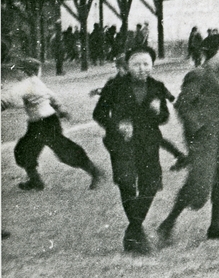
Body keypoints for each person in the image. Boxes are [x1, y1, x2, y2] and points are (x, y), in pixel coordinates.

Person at [156, 33, 219, 246]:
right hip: (203, 138)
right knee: (199, 184)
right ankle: (167, 224)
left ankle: (215, 226)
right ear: (210, 54)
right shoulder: (198, 74)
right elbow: (183, 105)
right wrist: (198, 129)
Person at [92, 47, 173, 253]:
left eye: (146, 64)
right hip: (122, 143)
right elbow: (99, 113)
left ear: (152, 66)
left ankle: (133, 230)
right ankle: (136, 235)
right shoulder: (115, 86)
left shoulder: (157, 87)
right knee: (127, 183)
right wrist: (116, 125)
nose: (141, 68)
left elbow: (164, 117)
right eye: (136, 64)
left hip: (147, 142)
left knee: (151, 183)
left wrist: (158, 111)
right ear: (128, 66)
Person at [1, 55, 103, 191]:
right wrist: (60, 109)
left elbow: (7, 99)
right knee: (27, 150)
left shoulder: (26, 84)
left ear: (25, 71)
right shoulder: (36, 82)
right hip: (46, 121)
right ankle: (35, 181)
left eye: (18, 70)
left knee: (58, 150)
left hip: (42, 124)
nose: (16, 73)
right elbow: (51, 96)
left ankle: (95, 172)